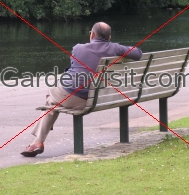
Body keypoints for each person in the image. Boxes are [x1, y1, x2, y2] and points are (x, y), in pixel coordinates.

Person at [21, 22, 142, 157]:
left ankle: (38, 141)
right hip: (97, 99)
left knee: (51, 95)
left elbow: (73, 68)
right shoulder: (115, 48)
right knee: (54, 99)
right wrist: (118, 48)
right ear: (109, 37)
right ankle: (38, 141)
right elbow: (138, 54)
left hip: (75, 97)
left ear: (92, 34)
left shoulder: (78, 48)